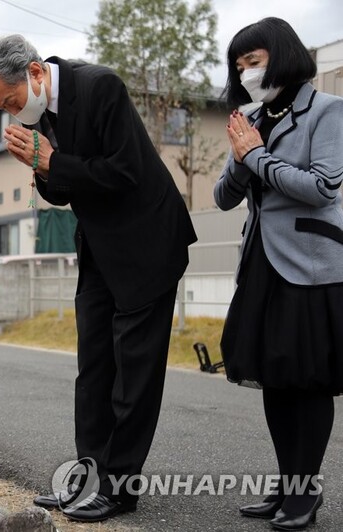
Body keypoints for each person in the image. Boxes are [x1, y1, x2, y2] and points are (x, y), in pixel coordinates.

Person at [0, 35, 196, 522]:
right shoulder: (39, 115)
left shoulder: (100, 88)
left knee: (134, 372)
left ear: (34, 73)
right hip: (98, 247)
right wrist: (39, 165)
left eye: (10, 101)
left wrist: (52, 160)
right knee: (93, 368)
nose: (11, 113)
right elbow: (63, 191)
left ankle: (119, 486)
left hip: (148, 243)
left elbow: (124, 172)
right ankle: (88, 476)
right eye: (1, 108)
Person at [214, 17, 343, 531]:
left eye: (254, 60)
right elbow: (224, 197)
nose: (247, 72)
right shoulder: (249, 117)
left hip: (312, 264)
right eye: (240, 65)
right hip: (261, 262)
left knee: (307, 380)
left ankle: (305, 492)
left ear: (283, 54)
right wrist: (244, 156)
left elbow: (323, 187)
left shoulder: (328, 112)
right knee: (274, 377)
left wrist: (257, 154)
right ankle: (288, 483)